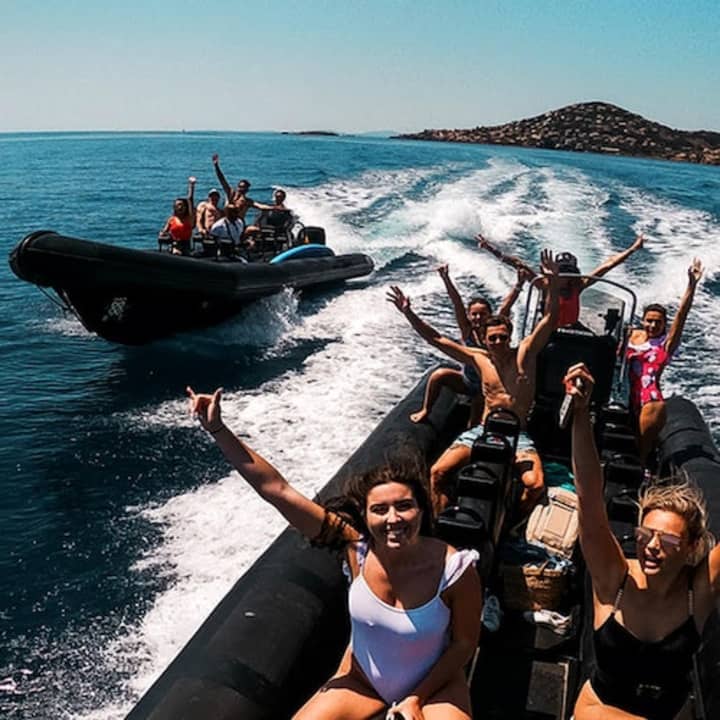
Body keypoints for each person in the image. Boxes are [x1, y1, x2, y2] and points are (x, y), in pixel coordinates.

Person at [186, 386, 482, 720]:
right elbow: (278, 491)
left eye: (404, 506)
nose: (393, 519)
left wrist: (416, 697)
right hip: (363, 683)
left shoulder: (454, 569)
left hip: (435, 690)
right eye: (380, 510)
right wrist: (217, 429)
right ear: (366, 517)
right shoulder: (355, 550)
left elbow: (464, 645)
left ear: (421, 511)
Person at [564, 362, 719, 720]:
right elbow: (589, 497)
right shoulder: (613, 579)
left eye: (665, 539)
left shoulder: (700, 592)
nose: (650, 546)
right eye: (645, 535)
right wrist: (581, 415)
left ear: (692, 546)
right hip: (598, 713)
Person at [386, 250, 560, 516]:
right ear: (486, 339)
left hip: (518, 435)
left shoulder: (525, 353)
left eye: (503, 337)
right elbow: (437, 340)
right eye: (493, 339)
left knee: (535, 485)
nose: (498, 343)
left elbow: (549, 320)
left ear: (509, 335)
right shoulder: (479, 359)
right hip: (483, 430)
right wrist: (409, 313)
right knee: (438, 472)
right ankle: (440, 524)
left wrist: (553, 284)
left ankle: (511, 520)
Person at [410, 264, 532, 426]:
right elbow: (456, 302)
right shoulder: (467, 330)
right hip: (468, 382)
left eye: (482, 314)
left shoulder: (494, 331)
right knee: (438, 375)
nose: (478, 317)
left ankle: (471, 431)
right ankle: (426, 410)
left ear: (489, 315)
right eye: (474, 314)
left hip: (487, 387)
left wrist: (519, 284)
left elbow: (506, 306)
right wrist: (446, 279)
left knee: (474, 420)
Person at [477, 232, 644, 326]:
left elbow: (608, 265)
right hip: (546, 329)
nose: (565, 275)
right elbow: (517, 264)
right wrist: (491, 249)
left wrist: (633, 248)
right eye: (562, 271)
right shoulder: (544, 284)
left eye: (569, 271)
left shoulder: (579, 285)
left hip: (572, 327)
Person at [626, 258, 703, 464]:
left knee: (640, 451)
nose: (652, 325)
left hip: (650, 401)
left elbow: (681, 315)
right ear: (642, 320)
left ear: (664, 325)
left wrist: (691, 285)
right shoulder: (631, 336)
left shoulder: (665, 345)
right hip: (627, 397)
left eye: (658, 322)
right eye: (649, 320)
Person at [158, 176, 196, 255]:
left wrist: (191, 186)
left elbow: (190, 199)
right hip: (174, 244)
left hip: (186, 245)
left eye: (182, 205)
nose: (180, 207)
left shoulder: (189, 218)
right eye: (178, 205)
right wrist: (162, 233)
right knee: (175, 252)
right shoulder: (172, 219)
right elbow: (165, 231)